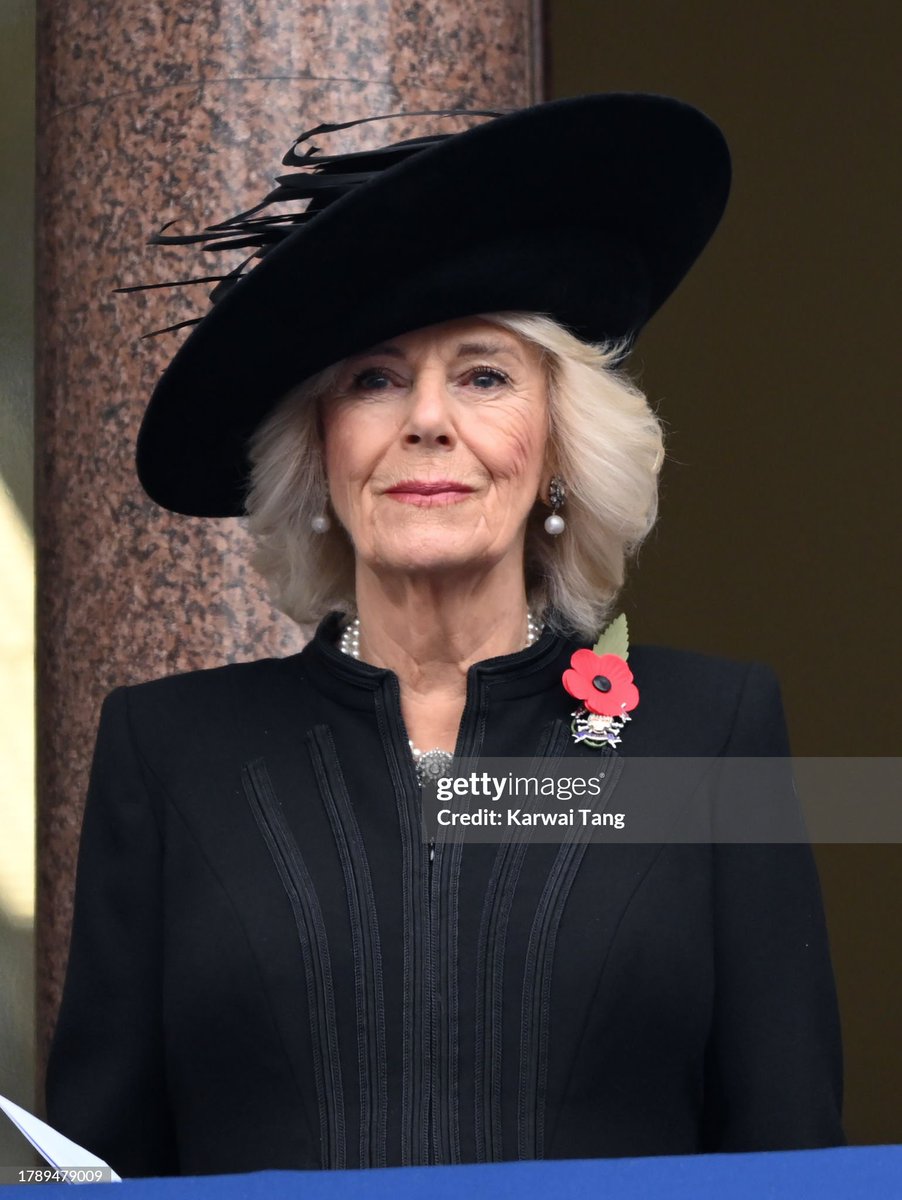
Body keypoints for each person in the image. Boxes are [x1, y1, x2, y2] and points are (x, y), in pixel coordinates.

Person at [45, 94, 844, 1177]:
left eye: (481, 374)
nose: (427, 418)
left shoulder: (709, 736)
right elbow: (94, 1164)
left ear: (555, 446)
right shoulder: (170, 752)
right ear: (319, 452)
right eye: (373, 378)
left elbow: (789, 1156)